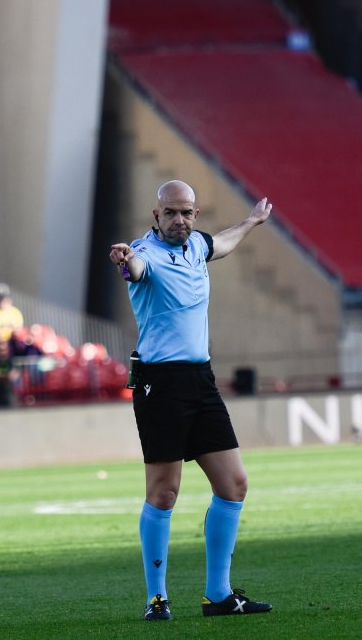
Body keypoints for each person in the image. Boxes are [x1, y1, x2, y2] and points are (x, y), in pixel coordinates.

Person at [108, 180, 273, 622]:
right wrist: (125, 261)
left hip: (201, 379)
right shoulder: (145, 254)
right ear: (155, 216)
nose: (179, 220)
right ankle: (156, 598)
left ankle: (217, 595)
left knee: (233, 484)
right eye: (171, 213)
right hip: (160, 384)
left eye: (187, 213)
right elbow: (135, 270)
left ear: (194, 216)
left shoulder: (197, 246)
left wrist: (252, 222)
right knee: (164, 493)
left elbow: (222, 243)